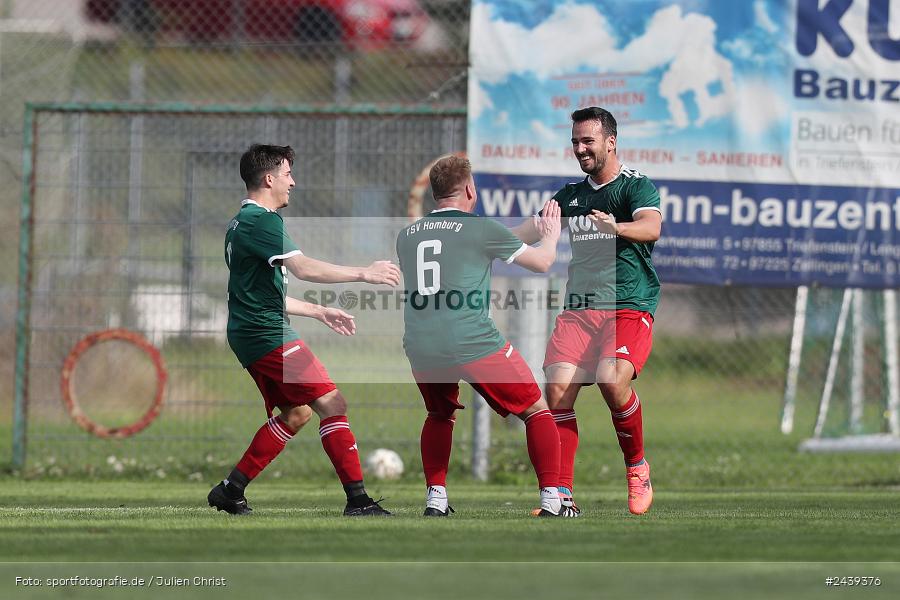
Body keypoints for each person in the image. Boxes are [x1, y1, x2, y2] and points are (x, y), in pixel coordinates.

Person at [208, 144, 401, 517]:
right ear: (268, 179)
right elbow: (304, 269)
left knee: (298, 413)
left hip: (253, 331)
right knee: (332, 403)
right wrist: (365, 273)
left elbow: (264, 293)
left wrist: (317, 310)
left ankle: (231, 490)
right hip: (266, 334)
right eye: (287, 174)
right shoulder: (262, 221)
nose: (293, 182)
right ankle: (358, 501)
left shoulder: (240, 223)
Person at [396, 155, 570, 517]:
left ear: (434, 193)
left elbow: (476, 245)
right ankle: (554, 500)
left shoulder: (408, 235)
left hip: (422, 343)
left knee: (439, 415)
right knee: (537, 412)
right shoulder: (480, 229)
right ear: (470, 190)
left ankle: (436, 498)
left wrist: (529, 228)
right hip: (470, 339)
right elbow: (541, 263)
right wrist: (550, 237)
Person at [513, 107, 662, 516]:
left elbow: (651, 227)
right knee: (557, 391)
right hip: (580, 309)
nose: (579, 149)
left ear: (610, 143)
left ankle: (637, 466)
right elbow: (526, 232)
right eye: (575, 142)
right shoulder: (570, 197)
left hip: (627, 306)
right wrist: (480, 242)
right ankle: (561, 496)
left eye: (588, 141)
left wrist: (619, 227)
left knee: (612, 381)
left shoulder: (635, 187)